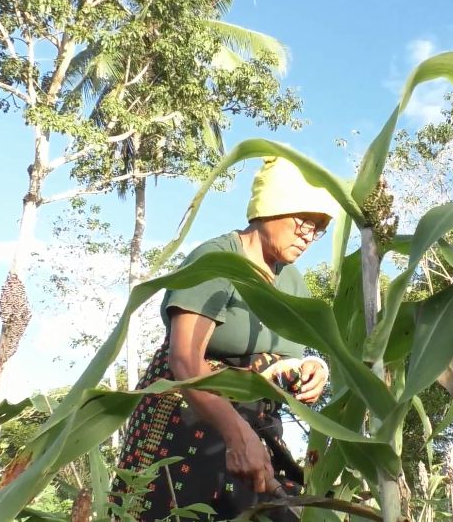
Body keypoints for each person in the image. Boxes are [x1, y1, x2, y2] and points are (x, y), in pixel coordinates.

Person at [109, 156, 339, 521]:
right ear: (269, 209)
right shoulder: (218, 260)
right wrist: (236, 433)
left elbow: (288, 355)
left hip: (258, 425)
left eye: (318, 228)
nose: (309, 236)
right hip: (191, 421)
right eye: (302, 222)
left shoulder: (292, 280)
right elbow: (184, 361)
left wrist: (315, 366)